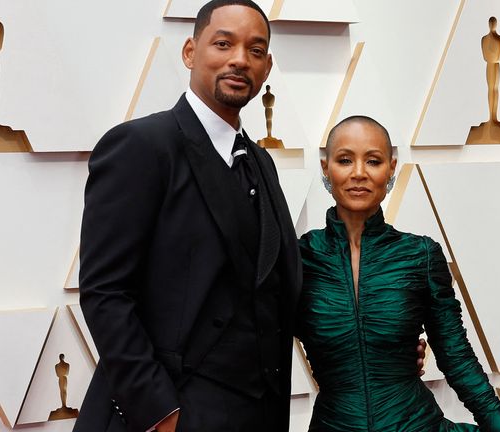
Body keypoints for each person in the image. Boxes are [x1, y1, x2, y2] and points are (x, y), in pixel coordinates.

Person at [74, 1, 302, 431]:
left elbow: (272, 289)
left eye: (255, 50)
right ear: (189, 52)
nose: (239, 59)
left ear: (267, 67)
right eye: (223, 43)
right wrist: (159, 412)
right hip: (170, 413)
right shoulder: (140, 145)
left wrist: (386, 340)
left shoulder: (261, 162)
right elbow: (104, 292)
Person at [296, 116, 500, 431]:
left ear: (391, 168)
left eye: (373, 161)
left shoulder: (420, 255)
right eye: (345, 160)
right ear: (326, 167)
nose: (359, 173)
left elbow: (457, 357)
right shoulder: (298, 258)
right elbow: (262, 354)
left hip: (415, 424)